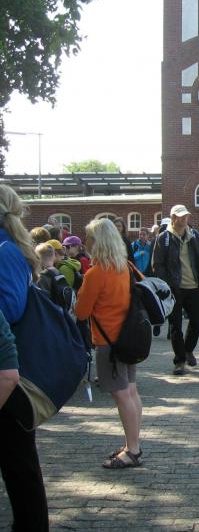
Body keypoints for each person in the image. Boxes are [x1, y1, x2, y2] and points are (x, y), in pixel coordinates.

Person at [75, 219, 144, 469]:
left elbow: (81, 312)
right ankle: (132, 445)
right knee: (131, 392)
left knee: (122, 395)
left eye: (88, 237)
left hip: (109, 342)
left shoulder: (96, 273)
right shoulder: (125, 266)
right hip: (128, 337)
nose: (85, 241)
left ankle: (132, 449)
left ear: (97, 241)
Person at [0, 184, 49, 531]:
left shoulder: (5, 249)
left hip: (9, 368)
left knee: (19, 465)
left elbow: (12, 307)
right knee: (19, 464)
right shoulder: (10, 246)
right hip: (11, 364)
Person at [153, 204, 199, 375]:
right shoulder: (163, 238)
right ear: (173, 218)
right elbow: (157, 265)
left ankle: (188, 350)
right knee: (175, 326)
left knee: (197, 322)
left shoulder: (194, 235)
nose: (185, 219)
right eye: (181, 216)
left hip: (194, 287)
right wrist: (168, 286)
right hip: (175, 288)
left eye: (186, 216)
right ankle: (179, 361)